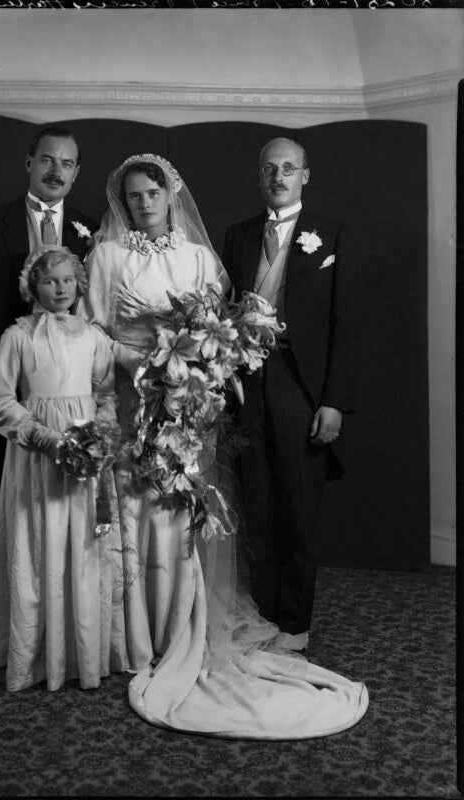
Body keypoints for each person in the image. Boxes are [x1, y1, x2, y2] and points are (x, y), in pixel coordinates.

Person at [82, 153, 368, 739]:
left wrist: (194, 371)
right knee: (136, 510)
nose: (144, 203)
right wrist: (140, 366)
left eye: (153, 193)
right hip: (134, 397)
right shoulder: (108, 256)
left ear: (172, 194)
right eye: (133, 196)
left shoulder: (200, 255)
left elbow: (224, 322)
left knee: (186, 512)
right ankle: (135, 631)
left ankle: (184, 620)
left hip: (192, 400)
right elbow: (92, 328)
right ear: (123, 202)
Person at [0, 126, 97, 671]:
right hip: (3, 390)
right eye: (47, 160)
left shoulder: (93, 229)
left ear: (78, 172)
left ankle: (56, 629)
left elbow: (94, 312)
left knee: (63, 513)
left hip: (67, 394)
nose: (57, 170)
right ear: (29, 162)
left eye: (68, 163)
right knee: (0, 507)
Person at [222, 137, 359, 654]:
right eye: (269, 169)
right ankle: (262, 617)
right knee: (257, 505)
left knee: (298, 506)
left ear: (305, 175)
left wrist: (334, 401)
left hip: (300, 386)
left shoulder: (332, 235)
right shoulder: (236, 236)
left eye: (288, 168)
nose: (278, 177)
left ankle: (295, 625)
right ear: (258, 177)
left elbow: (346, 323)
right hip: (244, 383)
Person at [0, 246, 128, 691]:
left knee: (84, 543)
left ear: (79, 284)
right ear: (34, 285)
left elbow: (105, 392)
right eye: (50, 281)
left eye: (68, 280)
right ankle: (37, 656)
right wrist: (45, 438)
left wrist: (99, 433)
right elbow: (1, 402)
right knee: (41, 541)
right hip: (38, 459)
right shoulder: (18, 336)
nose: (61, 288)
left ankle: (84, 655)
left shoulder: (93, 336)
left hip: (86, 459)